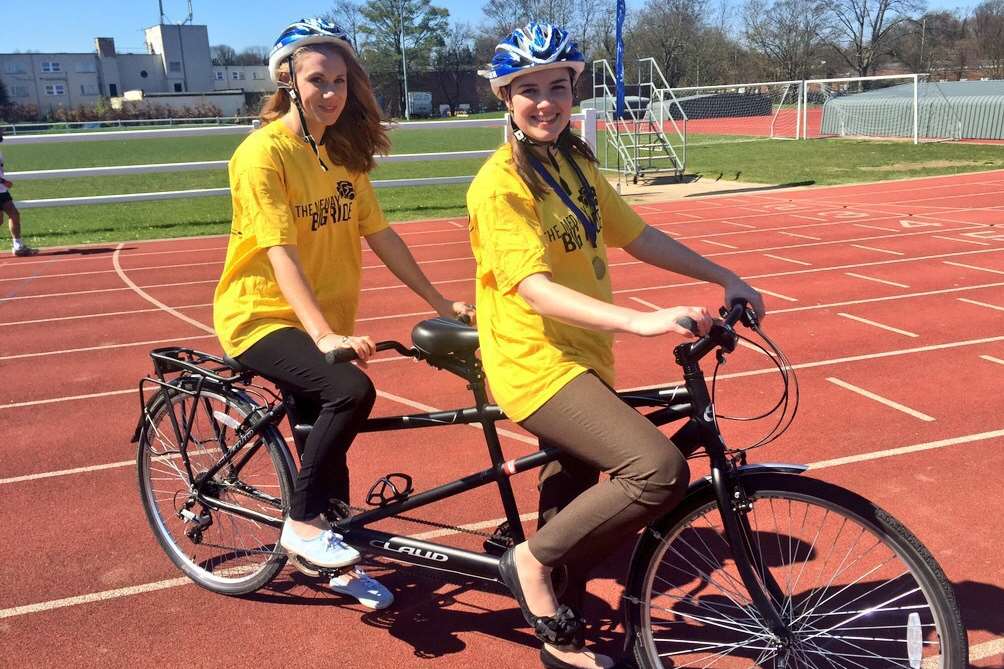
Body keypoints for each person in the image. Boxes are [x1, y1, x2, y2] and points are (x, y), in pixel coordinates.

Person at [467, 23, 766, 669]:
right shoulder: (500, 184)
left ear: (574, 89)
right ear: (506, 99)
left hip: (583, 355)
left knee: (573, 489)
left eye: (557, 86)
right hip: (533, 360)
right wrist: (640, 321)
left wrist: (724, 275)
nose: (544, 102)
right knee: (656, 469)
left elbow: (640, 236)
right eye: (528, 90)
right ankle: (530, 562)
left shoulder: (574, 162)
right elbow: (534, 289)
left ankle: (556, 627)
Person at [212, 18, 474, 610]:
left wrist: (440, 302)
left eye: (340, 81)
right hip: (261, 316)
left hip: (319, 318)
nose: (331, 93)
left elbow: (383, 237)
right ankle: (303, 527)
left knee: (325, 435)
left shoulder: (344, 152)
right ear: (287, 80)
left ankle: (334, 557)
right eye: (316, 80)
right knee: (348, 392)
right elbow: (278, 251)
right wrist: (325, 333)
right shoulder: (261, 155)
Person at [0, 129, 38, 257]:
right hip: (1, 187)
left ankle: (18, 246)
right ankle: (18, 245)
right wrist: (4, 181)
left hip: (2, 190)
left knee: (14, 214)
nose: (2, 135)